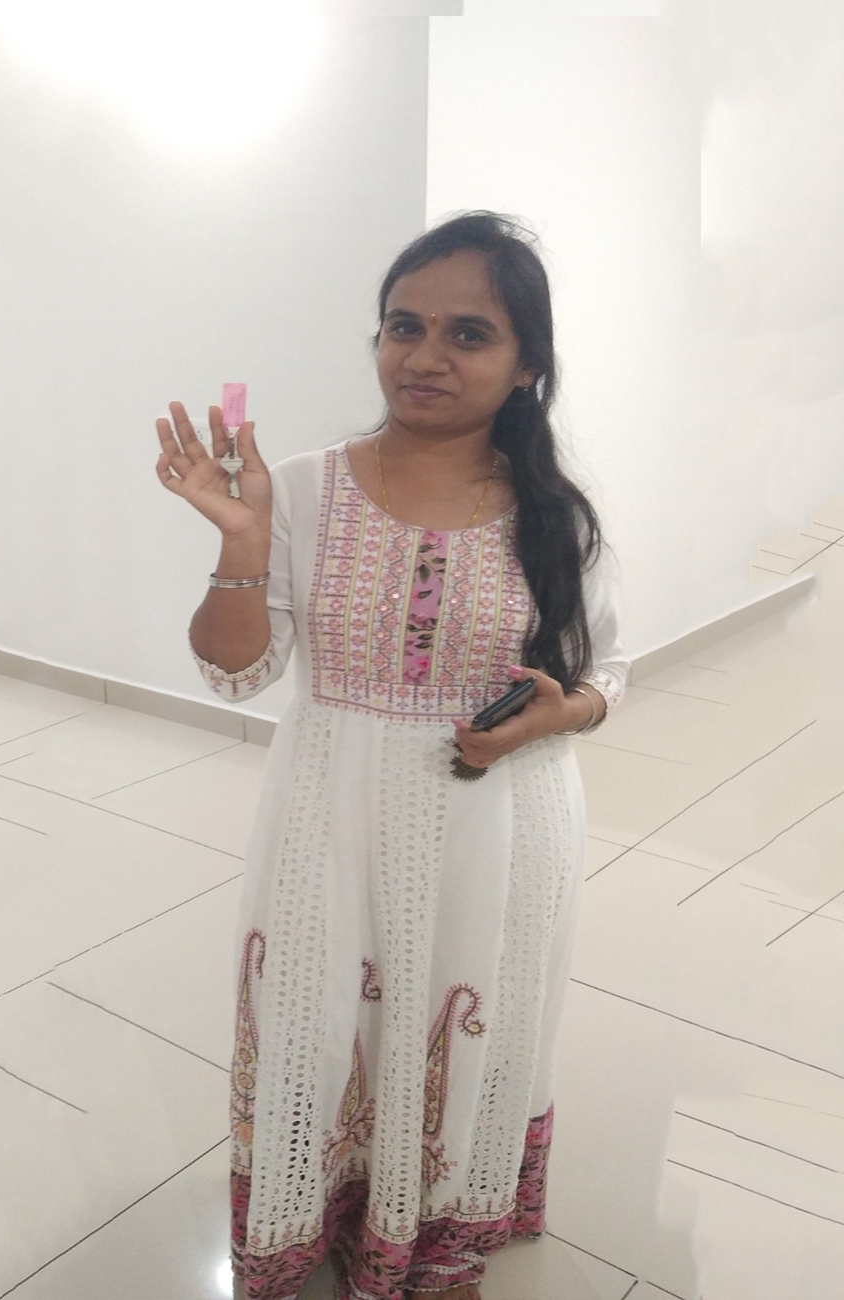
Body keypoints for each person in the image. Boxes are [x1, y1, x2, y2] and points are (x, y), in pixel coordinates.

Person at [155, 211, 629, 1300]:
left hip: (502, 824)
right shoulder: (300, 488)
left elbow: (610, 667)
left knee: (467, 1013)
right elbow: (237, 671)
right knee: (321, 1016)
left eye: (469, 334)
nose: (424, 356)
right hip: (329, 812)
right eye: (403, 326)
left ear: (527, 365)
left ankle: (443, 1225)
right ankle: (324, 1214)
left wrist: (557, 716)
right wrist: (240, 542)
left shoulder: (556, 515)